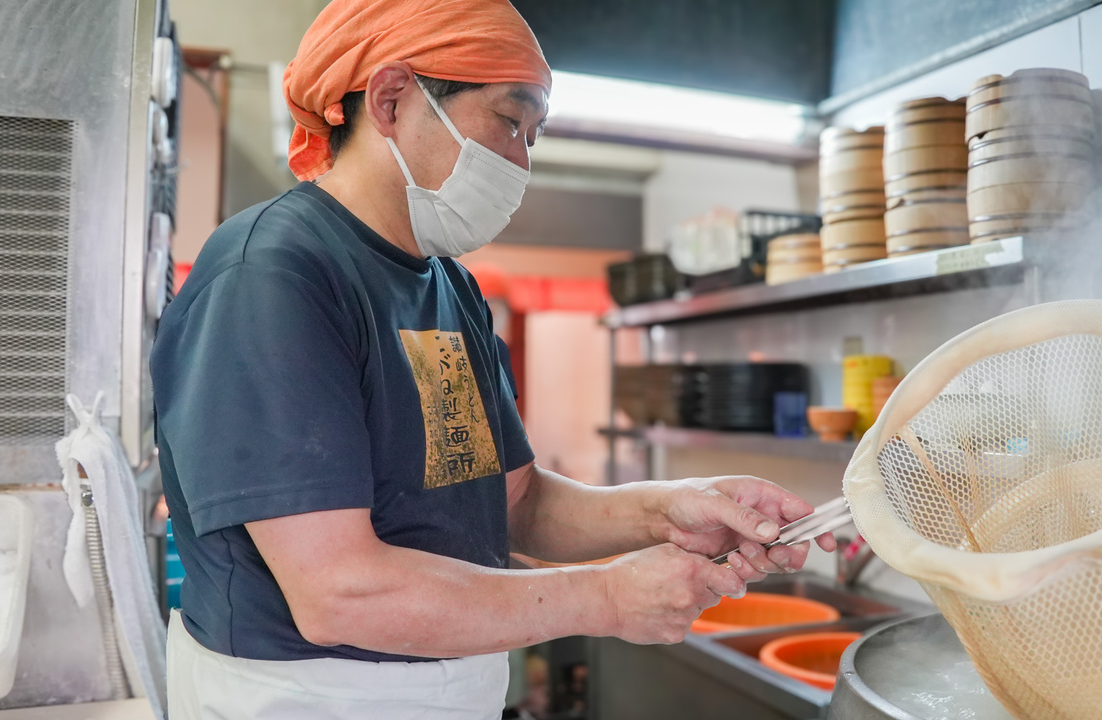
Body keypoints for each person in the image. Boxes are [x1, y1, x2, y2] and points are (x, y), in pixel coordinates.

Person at [152, 1, 836, 717]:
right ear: (390, 99)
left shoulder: (447, 283)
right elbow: (338, 592)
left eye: (533, 136)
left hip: (456, 688)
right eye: (510, 121)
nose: (521, 161)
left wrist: (673, 509)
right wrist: (603, 595)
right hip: (309, 697)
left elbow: (518, 504)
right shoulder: (275, 274)